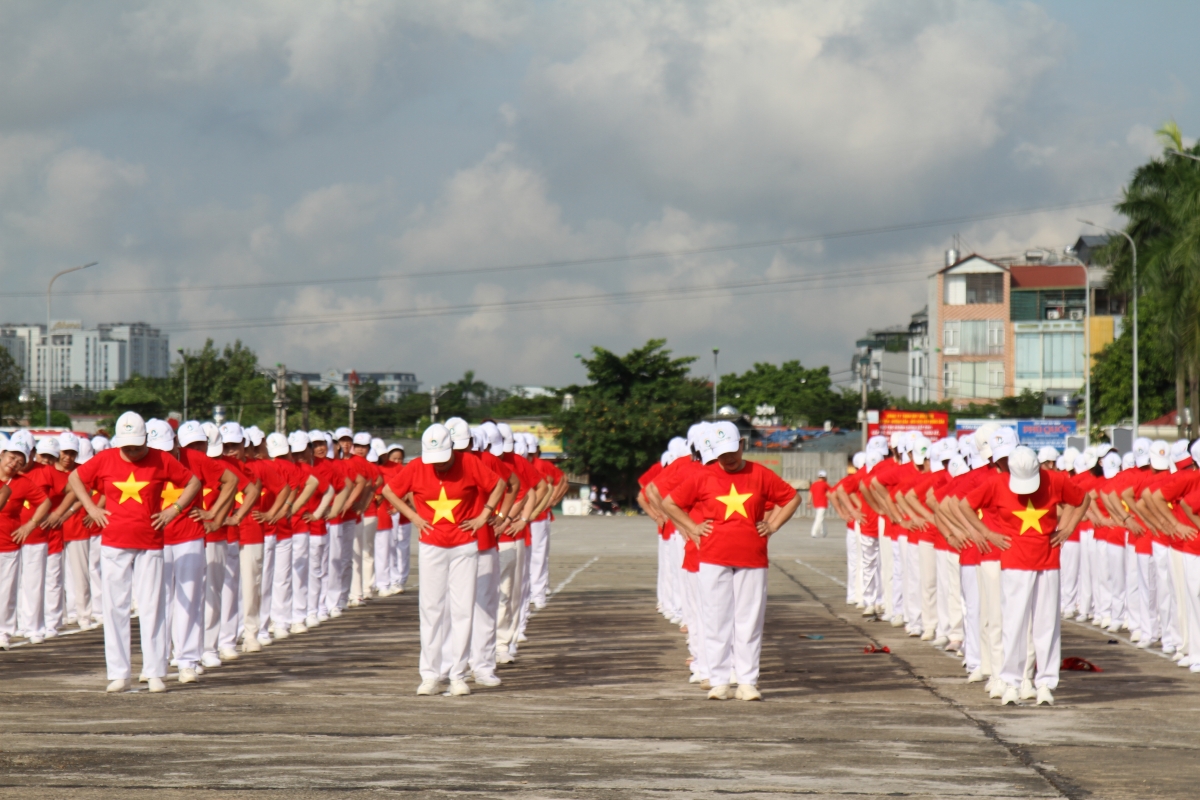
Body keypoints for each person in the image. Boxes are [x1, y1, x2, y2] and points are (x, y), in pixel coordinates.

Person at [662, 421, 801, 701]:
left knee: (748, 619)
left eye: (733, 450)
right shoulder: (703, 476)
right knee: (716, 617)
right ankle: (719, 680)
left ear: (741, 444)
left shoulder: (760, 474)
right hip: (713, 555)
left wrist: (772, 526)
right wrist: (692, 528)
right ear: (714, 450)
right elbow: (669, 503)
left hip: (752, 555)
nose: (729, 457)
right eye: (723, 452)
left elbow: (792, 498)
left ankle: (748, 680)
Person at [69, 411, 201, 693]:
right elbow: (74, 478)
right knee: (114, 607)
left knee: (152, 606)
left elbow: (193, 483)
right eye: (127, 447)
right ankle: (119, 672)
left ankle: (154, 671)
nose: (133, 451)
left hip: (150, 542)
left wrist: (173, 510)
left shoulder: (162, 458)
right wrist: (91, 508)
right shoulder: (104, 459)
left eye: (137, 446)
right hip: (114, 542)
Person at [383, 423, 505, 696]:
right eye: (433, 461)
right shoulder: (416, 466)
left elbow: (499, 484)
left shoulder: (469, 462)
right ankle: (430, 675)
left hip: (464, 546)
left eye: (443, 460)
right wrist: (413, 516)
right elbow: (389, 491)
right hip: (431, 546)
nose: (438, 466)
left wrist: (484, 516)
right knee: (432, 609)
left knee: (462, 610)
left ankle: (458, 675)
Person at [965, 445, 1089, 706]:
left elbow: (1082, 499)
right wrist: (986, 534)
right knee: (1014, 623)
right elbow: (964, 506)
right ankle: (1011, 682)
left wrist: (1066, 529)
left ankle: (1045, 682)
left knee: (1047, 625)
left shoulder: (1055, 479)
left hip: (1048, 560)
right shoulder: (997, 483)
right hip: (1014, 561)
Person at [0, 437, 45, 650]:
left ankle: (3, 633)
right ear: (2, 454)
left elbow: (45, 503)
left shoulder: (23, 483)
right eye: (12, 456)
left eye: (20, 460)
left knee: (6, 592)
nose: (14, 462)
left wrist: (30, 525)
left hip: (8, 544)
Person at [810, 471, 829, 538]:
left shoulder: (814, 484)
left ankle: (824, 532)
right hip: (823, 503)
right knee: (819, 518)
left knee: (821, 518)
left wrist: (808, 502)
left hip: (816, 503)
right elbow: (831, 491)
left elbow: (810, 493)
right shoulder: (825, 484)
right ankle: (813, 532)